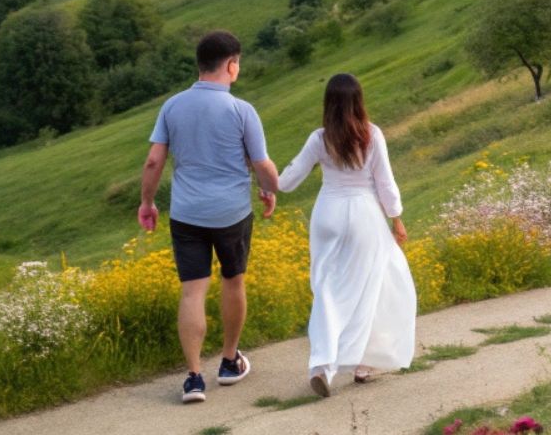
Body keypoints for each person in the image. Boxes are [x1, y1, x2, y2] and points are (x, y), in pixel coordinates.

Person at [138, 30, 280, 405]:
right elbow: (261, 163)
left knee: (192, 290)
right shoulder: (241, 110)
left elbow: (153, 161)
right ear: (231, 65)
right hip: (232, 213)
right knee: (233, 281)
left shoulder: (172, 107)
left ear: (200, 64)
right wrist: (270, 189)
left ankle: (193, 377)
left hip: (187, 214)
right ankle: (229, 362)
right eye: (238, 64)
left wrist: (147, 202)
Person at [277, 72, 416, 398]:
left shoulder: (319, 139)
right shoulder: (371, 135)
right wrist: (396, 218)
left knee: (327, 289)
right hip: (364, 215)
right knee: (371, 286)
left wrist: (268, 178)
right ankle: (363, 363)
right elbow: (385, 183)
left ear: (328, 103)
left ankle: (321, 366)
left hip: (328, 214)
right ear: (358, 101)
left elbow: (289, 180)